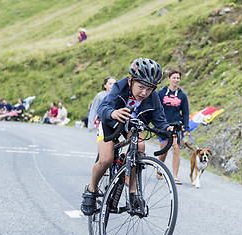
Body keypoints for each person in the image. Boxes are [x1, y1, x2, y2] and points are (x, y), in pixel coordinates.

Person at [81, 58, 173, 216]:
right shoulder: (120, 86)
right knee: (106, 159)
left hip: (132, 124)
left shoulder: (153, 97)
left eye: (149, 89)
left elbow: (159, 120)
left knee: (140, 147)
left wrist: (168, 129)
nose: (144, 93)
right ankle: (91, 190)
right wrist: (113, 112)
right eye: (141, 87)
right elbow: (103, 108)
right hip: (110, 121)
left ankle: (133, 194)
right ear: (131, 80)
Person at [158, 69, 190, 185]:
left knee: (176, 150)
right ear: (169, 78)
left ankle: (175, 176)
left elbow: (185, 112)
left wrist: (186, 128)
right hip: (163, 126)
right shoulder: (161, 94)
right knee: (164, 151)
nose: (176, 80)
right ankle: (159, 168)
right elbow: (157, 109)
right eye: (174, 77)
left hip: (176, 126)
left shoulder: (182, 96)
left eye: (178, 78)